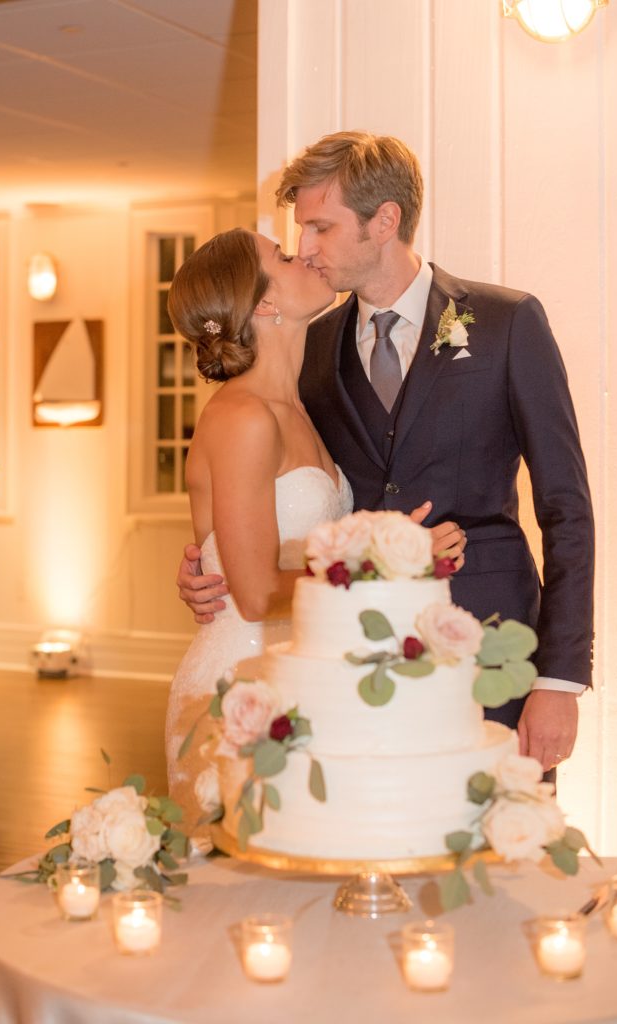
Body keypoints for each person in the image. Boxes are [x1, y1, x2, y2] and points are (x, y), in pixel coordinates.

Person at [178, 131, 594, 777]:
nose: (307, 250)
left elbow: (567, 509)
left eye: (319, 227)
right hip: (353, 669)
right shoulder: (305, 357)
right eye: (299, 237)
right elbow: (263, 505)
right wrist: (210, 569)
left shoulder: (508, 324)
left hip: (495, 652)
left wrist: (560, 680)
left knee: (504, 864)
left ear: (384, 221)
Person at [164, 226, 465, 827]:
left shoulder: (299, 404)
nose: (302, 251)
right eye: (280, 255)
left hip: (304, 672)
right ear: (264, 304)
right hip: (242, 687)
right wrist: (390, 556)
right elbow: (251, 596)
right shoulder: (243, 417)